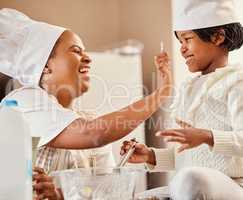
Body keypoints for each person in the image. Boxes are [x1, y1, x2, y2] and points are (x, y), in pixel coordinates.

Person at [0, 8, 172, 200]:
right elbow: (93, 133)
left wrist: (60, 196)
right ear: (46, 66)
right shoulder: (23, 101)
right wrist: (160, 94)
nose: (88, 58)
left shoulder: (88, 119)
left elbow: (107, 194)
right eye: (76, 51)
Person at [121, 0, 243, 199]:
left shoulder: (237, 81)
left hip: (232, 186)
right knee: (140, 196)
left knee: (191, 178)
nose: (182, 49)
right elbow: (188, 158)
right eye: (180, 42)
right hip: (192, 183)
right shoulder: (188, 88)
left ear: (218, 36)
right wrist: (151, 155)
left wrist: (207, 136)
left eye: (187, 39)